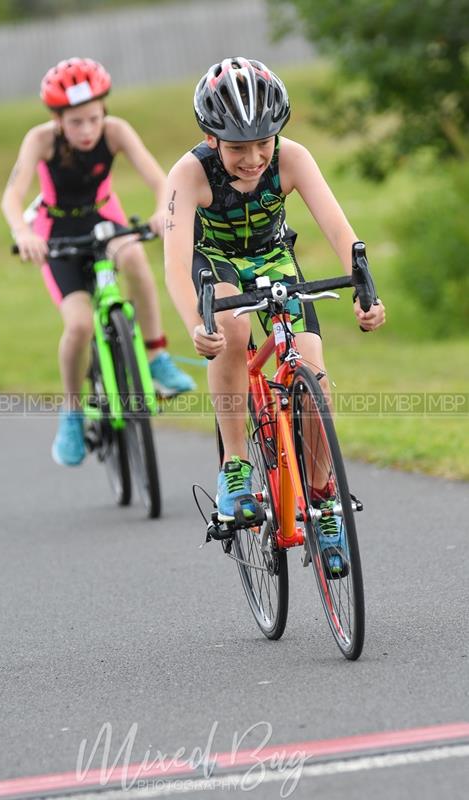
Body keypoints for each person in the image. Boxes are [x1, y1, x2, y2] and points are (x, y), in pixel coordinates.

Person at [164, 57, 385, 577]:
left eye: (264, 142)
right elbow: (174, 262)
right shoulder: (189, 173)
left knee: (315, 372)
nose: (254, 157)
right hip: (213, 264)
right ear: (211, 137)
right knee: (233, 325)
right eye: (239, 147)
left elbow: (338, 228)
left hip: (274, 257)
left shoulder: (292, 158)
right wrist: (196, 323)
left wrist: (364, 288)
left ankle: (323, 499)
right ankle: (235, 465)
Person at [2, 57, 195, 467]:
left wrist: (163, 211)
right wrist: (23, 233)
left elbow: (161, 181)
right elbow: (12, 196)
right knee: (79, 325)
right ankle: (73, 412)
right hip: (57, 234)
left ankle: (156, 355)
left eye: (93, 118)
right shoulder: (40, 141)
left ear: (103, 110)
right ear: (57, 119)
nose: (87, 130)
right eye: (75, 122)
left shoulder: (116, 131)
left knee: (138, 260)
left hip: (105, 221)